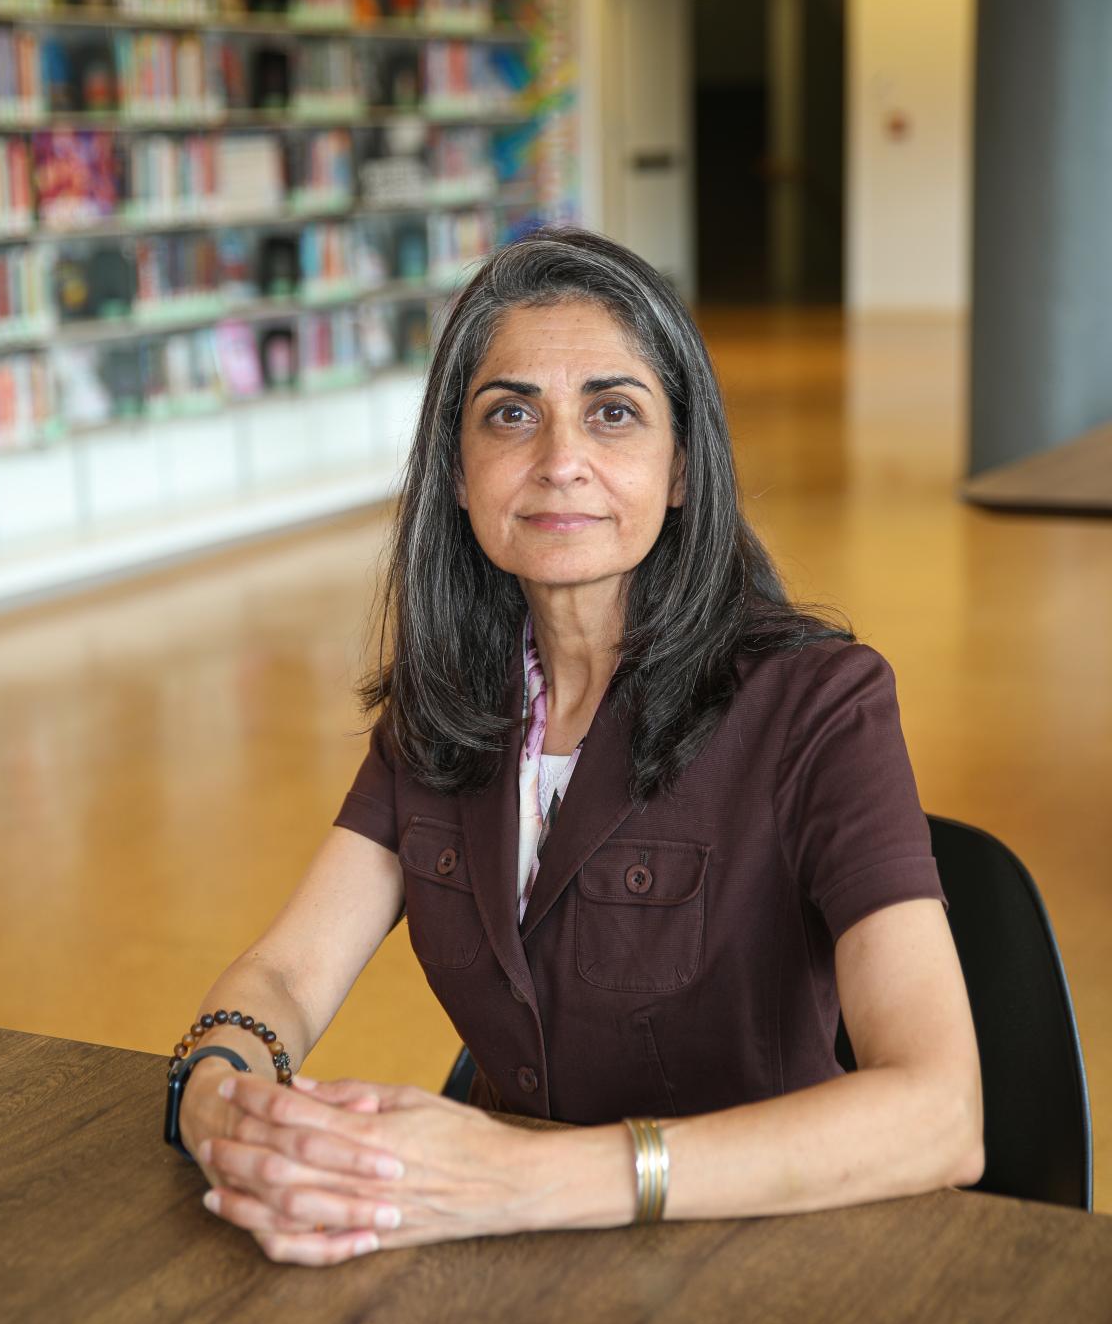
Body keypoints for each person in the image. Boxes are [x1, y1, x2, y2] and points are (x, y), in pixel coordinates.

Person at [166, 225, 983, 1268]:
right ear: (457, 474)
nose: (560, 463)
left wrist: (522, 1180)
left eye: (613, 413)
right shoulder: (449, 707)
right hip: (517, 1265)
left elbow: (940, 1113)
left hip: (769, 1263)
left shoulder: (820, 704)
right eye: (511, 415)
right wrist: (224, 1104)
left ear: (683, 467)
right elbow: (283, 975)